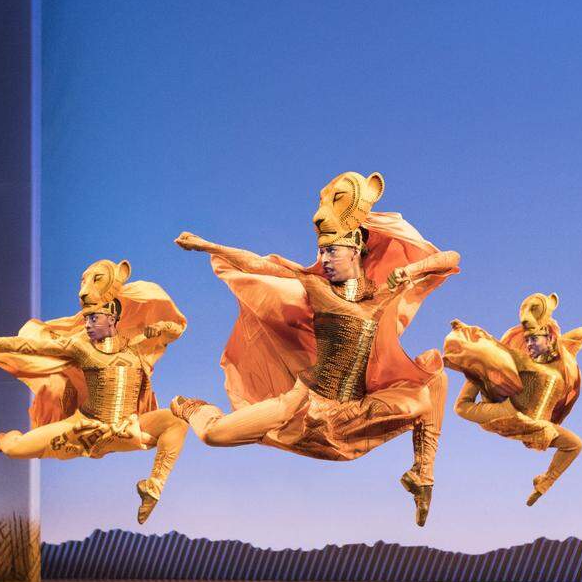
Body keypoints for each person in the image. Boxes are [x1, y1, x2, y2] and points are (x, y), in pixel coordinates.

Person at [172, 171, 459, 525]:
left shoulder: (381, 295)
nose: (324, 259)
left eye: (332, 251)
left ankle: (422, 475)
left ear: (356, 247)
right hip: (302, 405)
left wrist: (411, 270)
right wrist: (209, 246)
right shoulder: (315, 286)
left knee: (432, 378)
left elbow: (449, 257)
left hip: (352, 412)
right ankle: (189, 407)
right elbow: (261, 264)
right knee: (214, 435)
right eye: (321, 251)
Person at [0, 259, 188, 524]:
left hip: (126, 428)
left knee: (177, 421)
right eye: (86, 319)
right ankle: (1, 439)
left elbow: (176, 329)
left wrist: (161, 328)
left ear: (113, 317)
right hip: (83, 429)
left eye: (94, 318)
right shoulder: (79, 347)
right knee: (16, 449)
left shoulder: (137, 345)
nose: (88, 324)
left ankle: (152, 487)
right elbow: (28, 347)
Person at [444, 292, 582, 505]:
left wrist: (547, 315)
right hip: (510, 413)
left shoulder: (560, 363)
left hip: (537, 426)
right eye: (527, 339)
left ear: (549, 339)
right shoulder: (522, 361)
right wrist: (466, 331)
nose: (528, 343)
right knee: (462, 406)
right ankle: (476, 373)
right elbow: (493, 347)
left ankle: (543, 484)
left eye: (533, 339)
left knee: (575, 444)